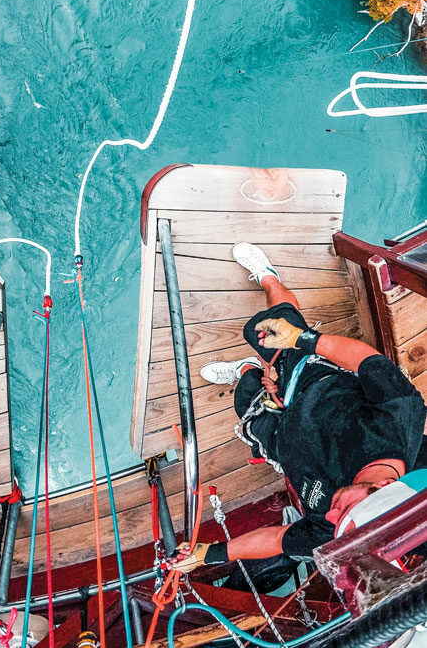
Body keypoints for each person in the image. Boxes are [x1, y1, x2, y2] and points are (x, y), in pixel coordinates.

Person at [170, 244, 427, 574]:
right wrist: (301, 339)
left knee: (244, 396)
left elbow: (279, 539)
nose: (330, 518)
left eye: (337, 524)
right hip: (313, 383)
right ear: (383, 490)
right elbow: (366, 361)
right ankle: (269, 278)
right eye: (345, 511)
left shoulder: (339, 533)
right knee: (265, 331)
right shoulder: (399, 417)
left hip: (279, 434)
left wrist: (210, 554)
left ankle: (247, 370)